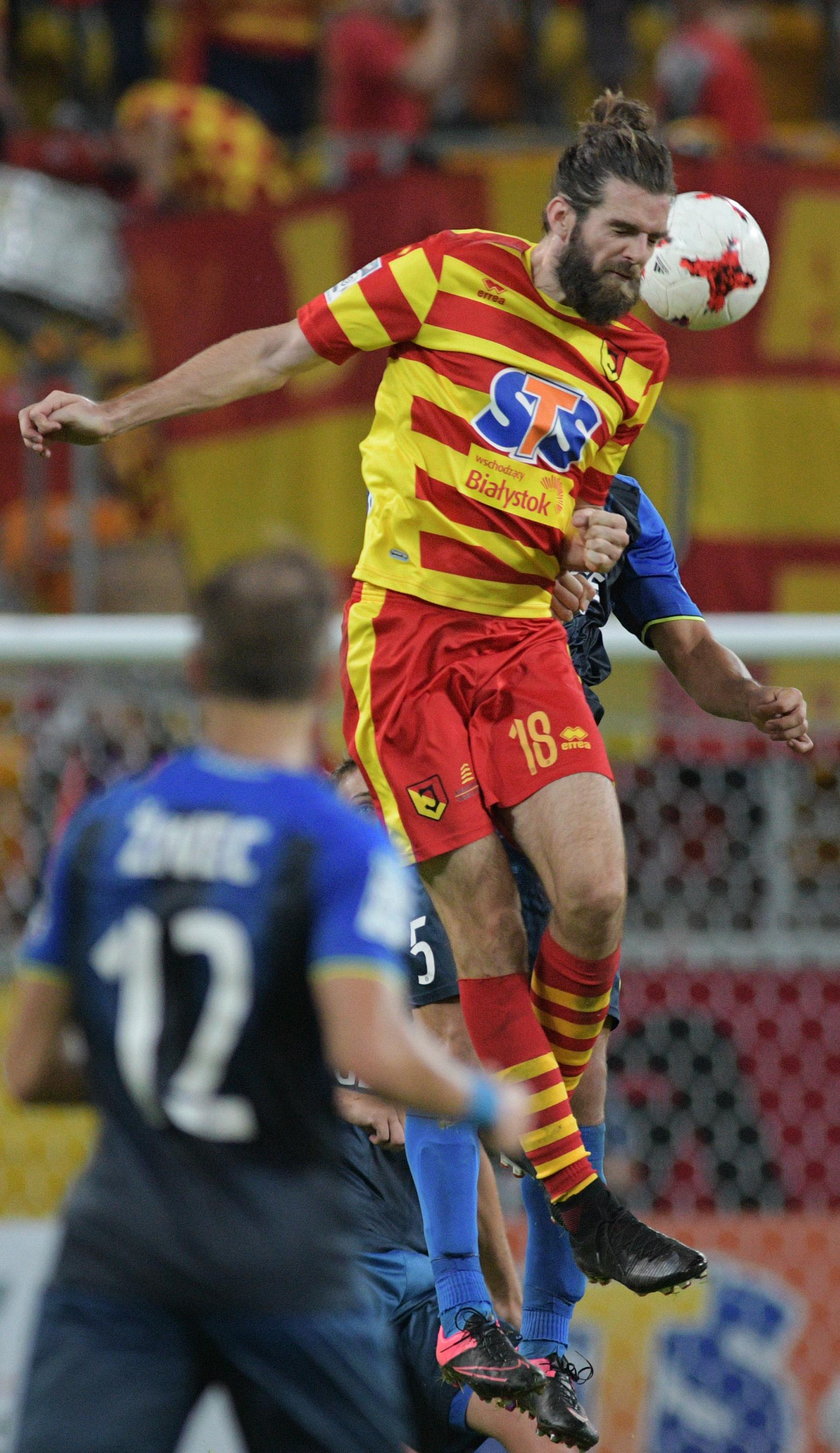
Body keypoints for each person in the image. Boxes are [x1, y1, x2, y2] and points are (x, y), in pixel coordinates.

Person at [18, 91, 713, 1402]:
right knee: (476, 961)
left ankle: (549, 1236)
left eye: (657, 236)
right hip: (409, 647)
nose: (643, 257)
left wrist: (582, 551)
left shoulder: (640, 361)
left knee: (599, 895)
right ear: (562, 215)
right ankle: (509, 1287)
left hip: (520, 649)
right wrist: (120, 416)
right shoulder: (448, 274)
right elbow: (280, 349)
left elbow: (571, 504)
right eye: (625, 231)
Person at [3, 545, 534, 1453]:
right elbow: (375, 1035)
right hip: (282, 1248)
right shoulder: (338, 841)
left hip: (125, 1243)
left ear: (197, 669)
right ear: (328, 679)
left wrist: (171, 1077)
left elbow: (27, 1068)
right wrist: (489, 1100)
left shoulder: (103, 831)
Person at [335, 470, 812, 1448]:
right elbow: (393, 617)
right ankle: (467, 1316)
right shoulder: (450, 460)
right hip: (446, 764)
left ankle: (544, 1336)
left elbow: (684, 641)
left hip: (551, 779)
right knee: (446, 1031)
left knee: (572, 1058)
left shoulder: (625, 505)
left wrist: (752, 699)